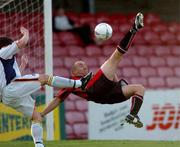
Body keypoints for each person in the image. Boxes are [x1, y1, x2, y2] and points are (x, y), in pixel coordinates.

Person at [41, 13, 145, 128]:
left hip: (107, 96)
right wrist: (42, 114)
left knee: (139, 89)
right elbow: (58, 100)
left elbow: (113, 80)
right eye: (80, 65)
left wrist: (116, 80)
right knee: (116, 57)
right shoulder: (71, 82)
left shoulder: (92, 76)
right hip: (94, 90)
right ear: (74, 72)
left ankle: (133, 116)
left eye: (85, 65)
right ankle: (134, 29)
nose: (84, 66)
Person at [0, 27, 91, 147]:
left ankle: (39, 145)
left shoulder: (6, 61)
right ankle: (79, 83)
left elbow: (14, 78)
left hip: (8, 95)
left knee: (36, 116)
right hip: (10, 90)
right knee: (44, 78)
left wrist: (22, 65)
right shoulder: (3, 52)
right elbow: (23, 42)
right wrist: (26, 33)